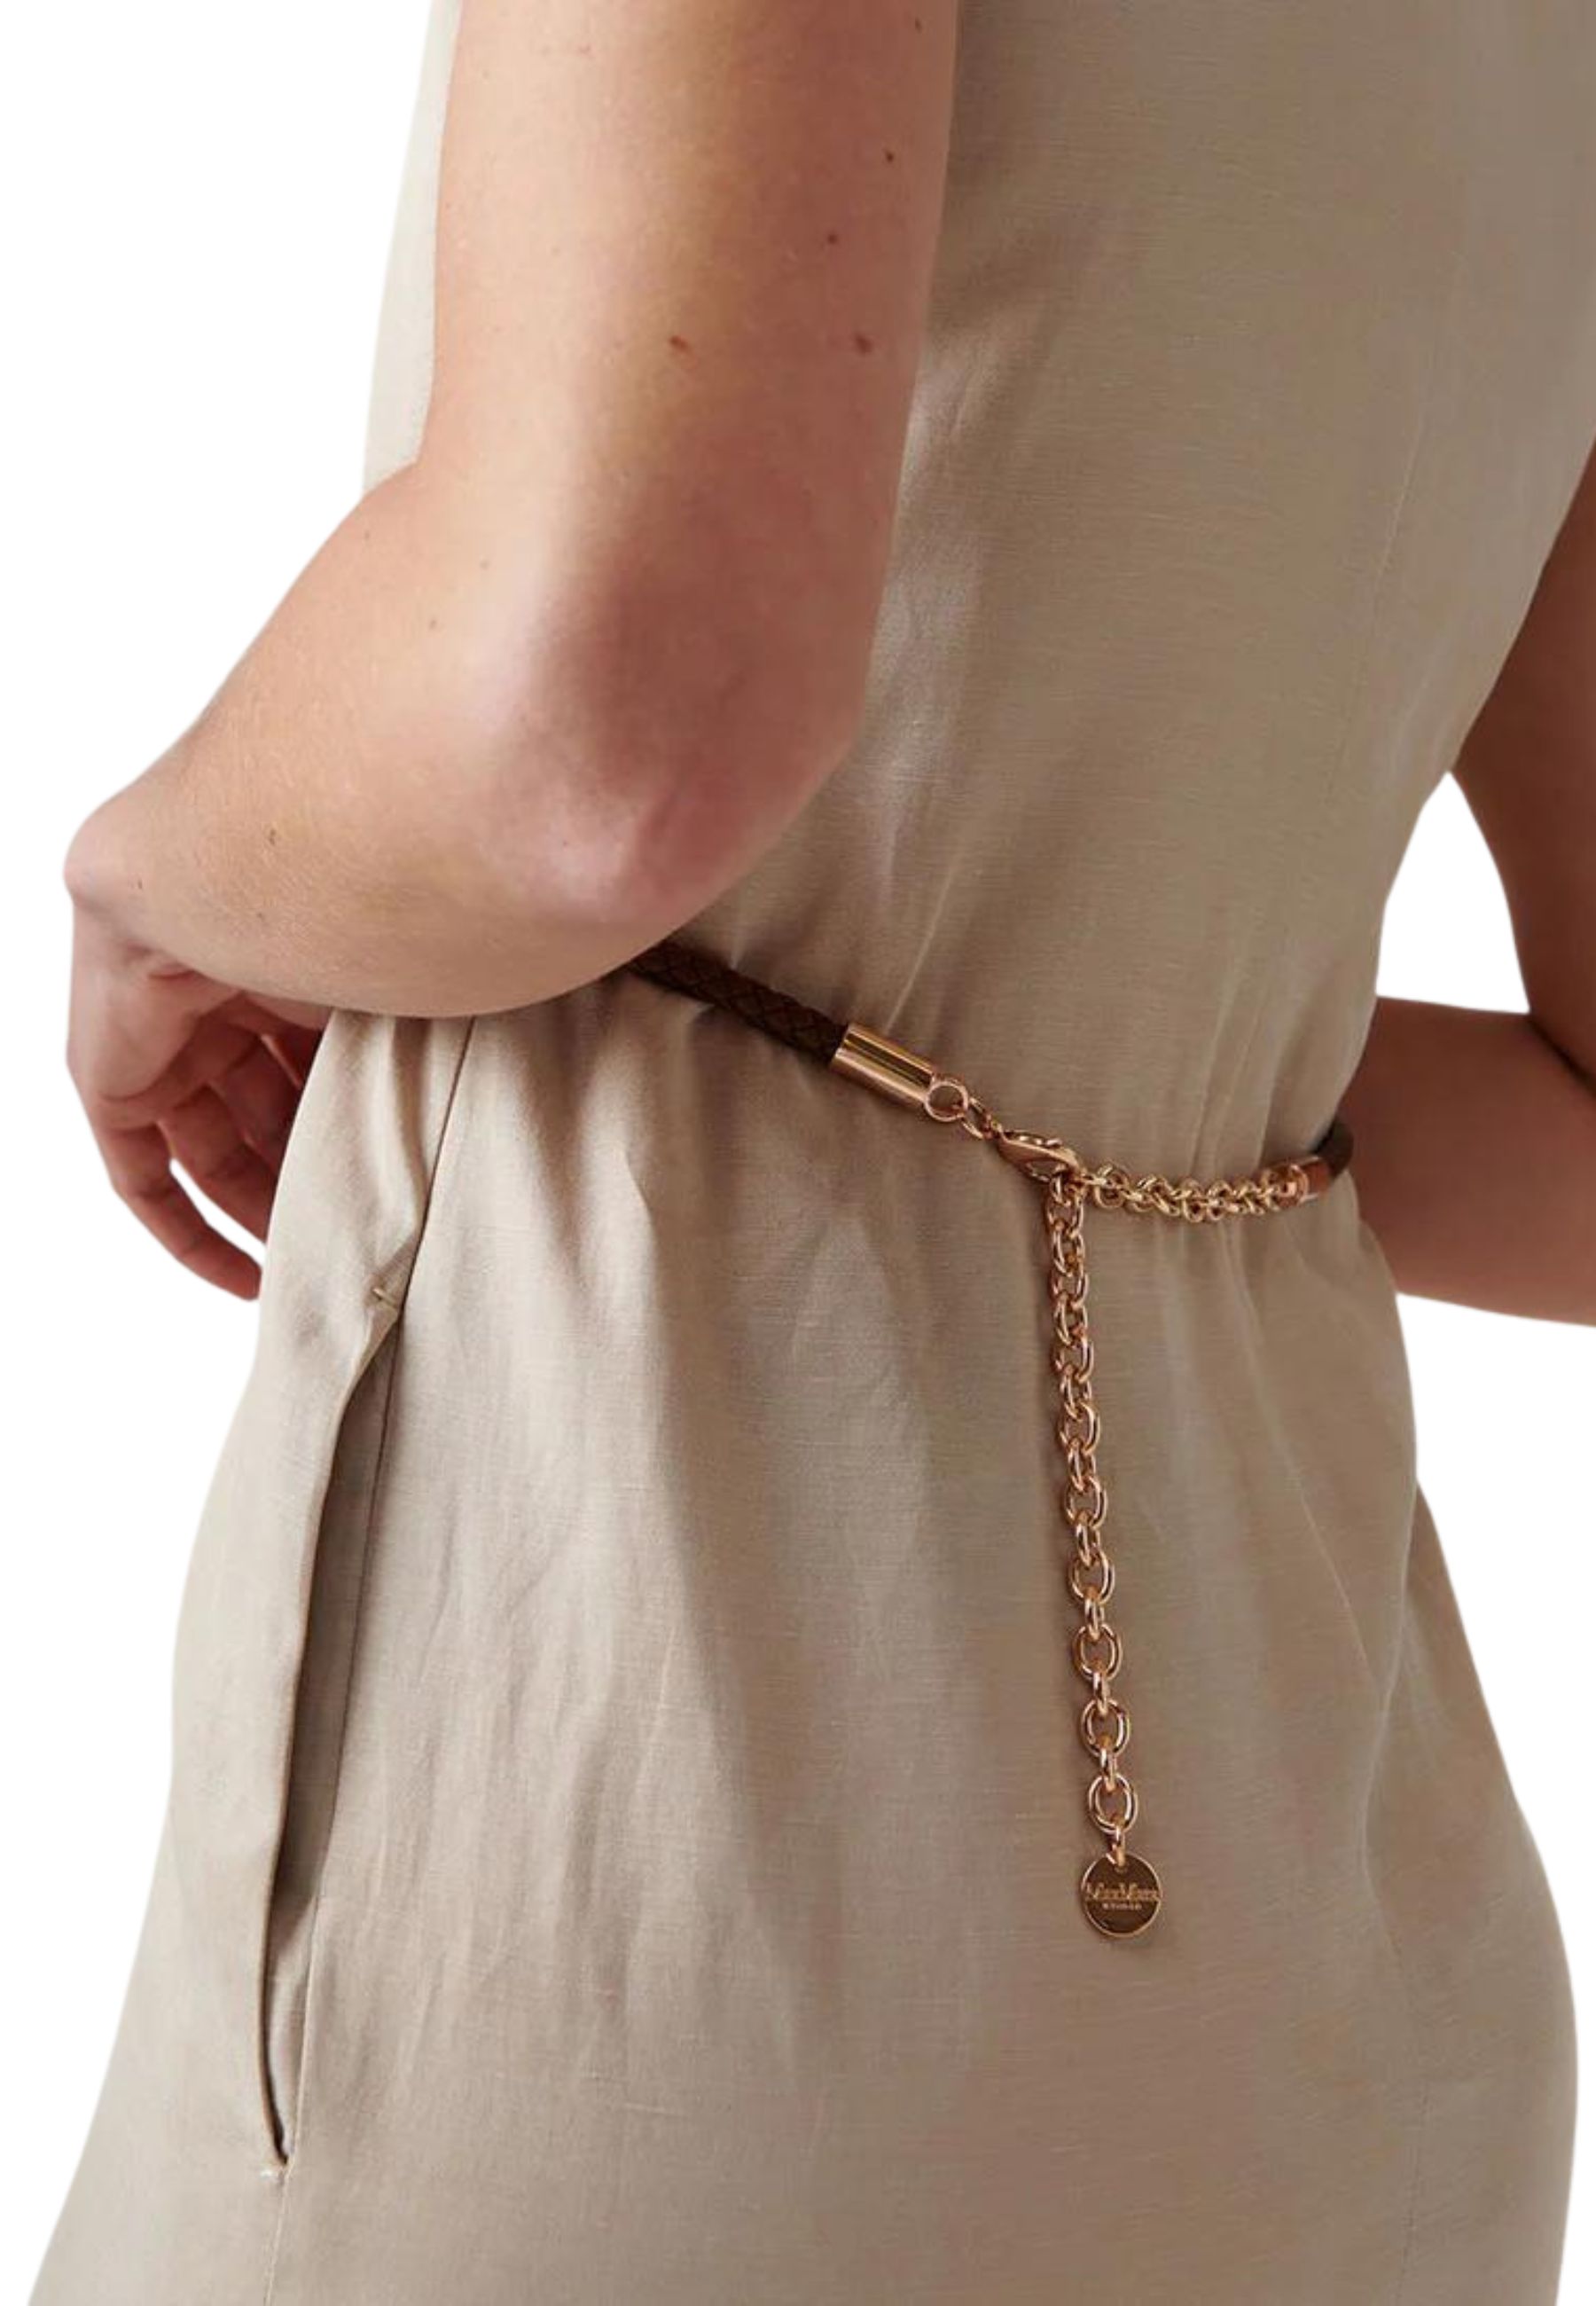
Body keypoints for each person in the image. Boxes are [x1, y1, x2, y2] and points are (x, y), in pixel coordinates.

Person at [30, 1, 1596, 2299]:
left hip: (646, 1919)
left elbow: (602, 741)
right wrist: (1130, 1021)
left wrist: (156, 881)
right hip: (1354, 2005)